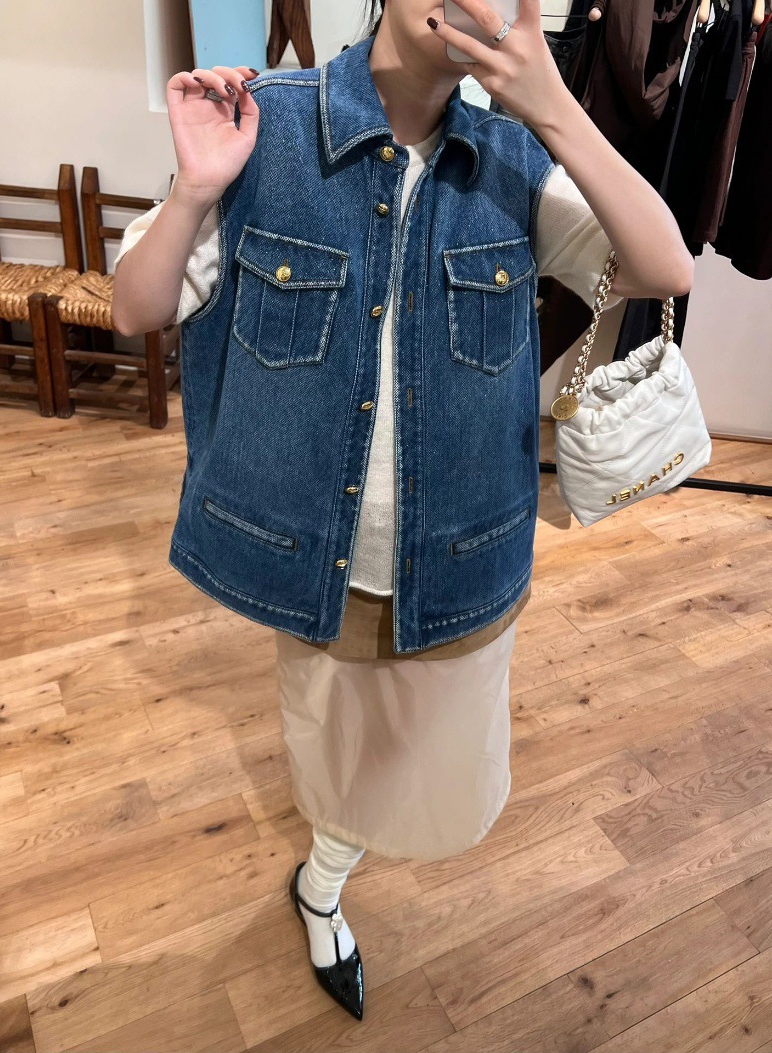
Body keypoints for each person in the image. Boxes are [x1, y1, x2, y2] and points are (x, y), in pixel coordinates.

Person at [112, 0, 694, 1023]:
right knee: (336, 753)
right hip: (314, 554)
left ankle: (322, 879)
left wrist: (555, 110)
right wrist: (197, 186)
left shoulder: (516, 159)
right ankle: (322, 888)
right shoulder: (268, 127)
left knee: (425, 757)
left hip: (462, 551)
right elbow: (135, 310)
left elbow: (664, 268)